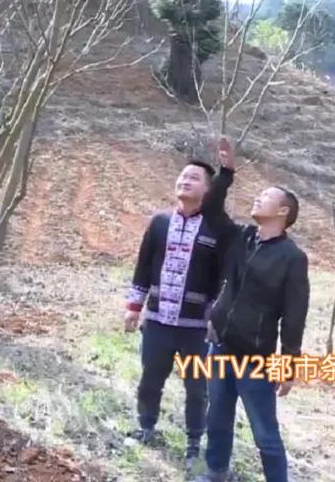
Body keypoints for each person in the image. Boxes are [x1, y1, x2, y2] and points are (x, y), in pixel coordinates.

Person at [124, 138, 235, 470]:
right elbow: (144, 265)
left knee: (197, 388)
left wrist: (217, 316)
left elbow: (224, 277)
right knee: (150, 378)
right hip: (158, 320)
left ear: (208, 190)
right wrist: (134, 307)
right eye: (182, 176)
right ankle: (146, 426)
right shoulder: (159, 222)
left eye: (194, 178)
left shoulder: (217, 228)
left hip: (197, 329)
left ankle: (193, 443)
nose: (185, 181)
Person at [196, 158, 310, 482]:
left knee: (265, 434)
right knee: (217, 418)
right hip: (219, 345)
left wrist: (288, 366)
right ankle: (216, 473)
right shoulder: (241, 238)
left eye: (265, 196)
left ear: (283, 211)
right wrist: (226, 174)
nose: (257, 198)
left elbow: (294, 315)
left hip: (254, 357)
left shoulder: (292, 258)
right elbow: (210, 208)